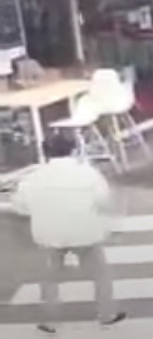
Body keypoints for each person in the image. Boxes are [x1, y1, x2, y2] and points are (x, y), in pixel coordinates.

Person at [13, 134, 126, 334]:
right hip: (85, 232)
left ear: (45, 152)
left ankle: (51, 322)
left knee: (49, 279)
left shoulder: (33, 178)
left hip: (49, 234)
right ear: (73, 150)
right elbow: (103, 202)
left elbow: (21, 207)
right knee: (100, 275)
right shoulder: (89, 174)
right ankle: (106, 314)